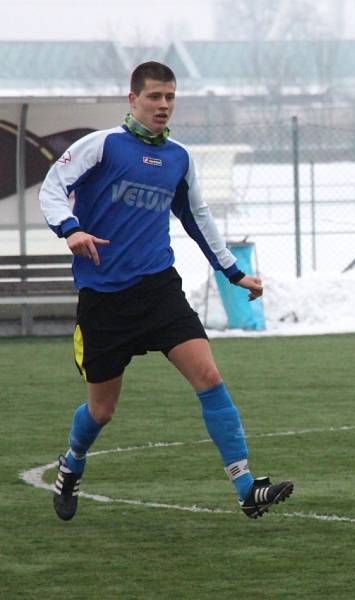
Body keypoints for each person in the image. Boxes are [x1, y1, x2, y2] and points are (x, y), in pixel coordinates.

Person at [39, 61, 293, 521]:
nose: (162, 105)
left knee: (210, 378)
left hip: (159, 290)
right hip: (104, 299)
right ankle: (72, 463)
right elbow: (52, 188)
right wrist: (70, 230)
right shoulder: (102, 146)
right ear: (132, 99)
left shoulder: (178, 157)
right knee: (101, 411)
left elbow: (198, 219)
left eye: (170, 97)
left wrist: (234, 272)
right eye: (154, 96)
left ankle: (245, 486)